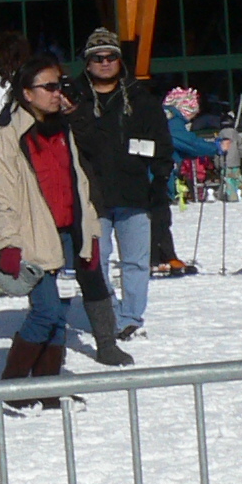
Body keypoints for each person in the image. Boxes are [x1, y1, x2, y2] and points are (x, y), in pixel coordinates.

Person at [0, 58, 130, 402]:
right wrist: (8, 244)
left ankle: (49, 389)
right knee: (46, 311)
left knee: (58, 314)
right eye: (48, 87)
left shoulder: (63, 130)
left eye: (59, 85)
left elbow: (80, 185)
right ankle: (13, 388)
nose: (57, 93)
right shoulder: (3, 139)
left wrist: (90, 234)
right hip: (31, 236)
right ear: (27, 93)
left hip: (67, 233)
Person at [63, 29, 173, 339]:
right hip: (92, 195)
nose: (105, 62)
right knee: (96, 261)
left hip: (136, 193)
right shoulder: (73, 100)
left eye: (111, 56)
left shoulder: (141, 98)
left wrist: (159, 179)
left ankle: (131, 317)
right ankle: (109, 314)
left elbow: (162, 145)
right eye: (98, 57)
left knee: (136, 262)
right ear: (87, 62)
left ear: (119, 60)